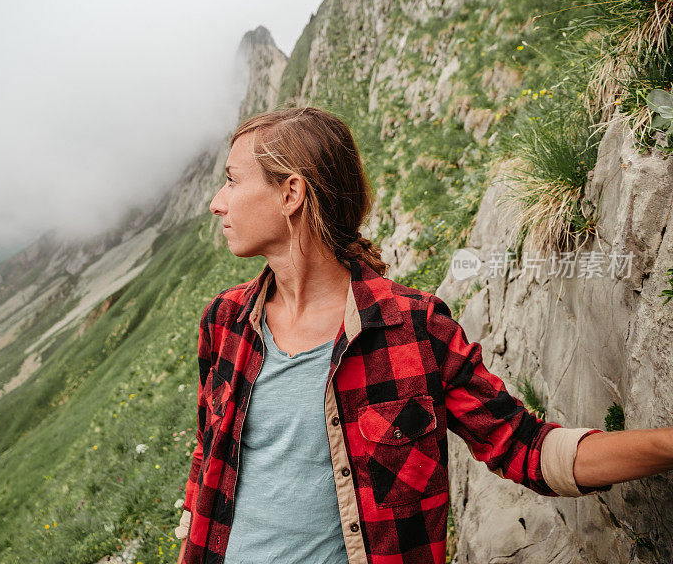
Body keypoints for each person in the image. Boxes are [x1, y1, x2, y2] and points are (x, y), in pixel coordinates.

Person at [175, 106, 673, 564]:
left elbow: (528, 449)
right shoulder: (223, 322)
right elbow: (208, 463)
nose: (218, 203)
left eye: (232, 181)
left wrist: (665, 445)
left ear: (291, 193)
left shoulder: (413, 328)